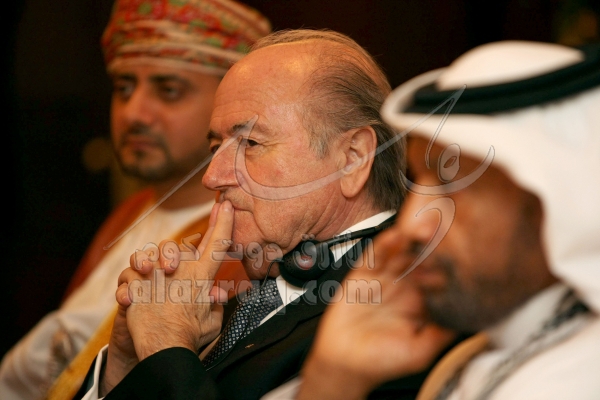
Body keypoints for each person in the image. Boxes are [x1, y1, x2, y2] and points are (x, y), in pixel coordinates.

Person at [75, 28, 415, 399]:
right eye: (215, 147)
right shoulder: (232, 299)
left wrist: (166, 348)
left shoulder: (400, 311)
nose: (211, 176)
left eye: (250, 143)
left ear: (352, 159)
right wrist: (125, 364)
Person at [273, 40, 600, 399]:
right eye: (417, 180)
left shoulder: (573, 382)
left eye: (451, 187)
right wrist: (336, 374)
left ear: (555, 201)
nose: (412, 225)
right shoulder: (492, 353)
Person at [0, 1, 271, 399]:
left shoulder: (242, 243)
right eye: (124, 88)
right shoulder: (132, 211)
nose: (134, 113)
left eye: (169, 90)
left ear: (233, 106)